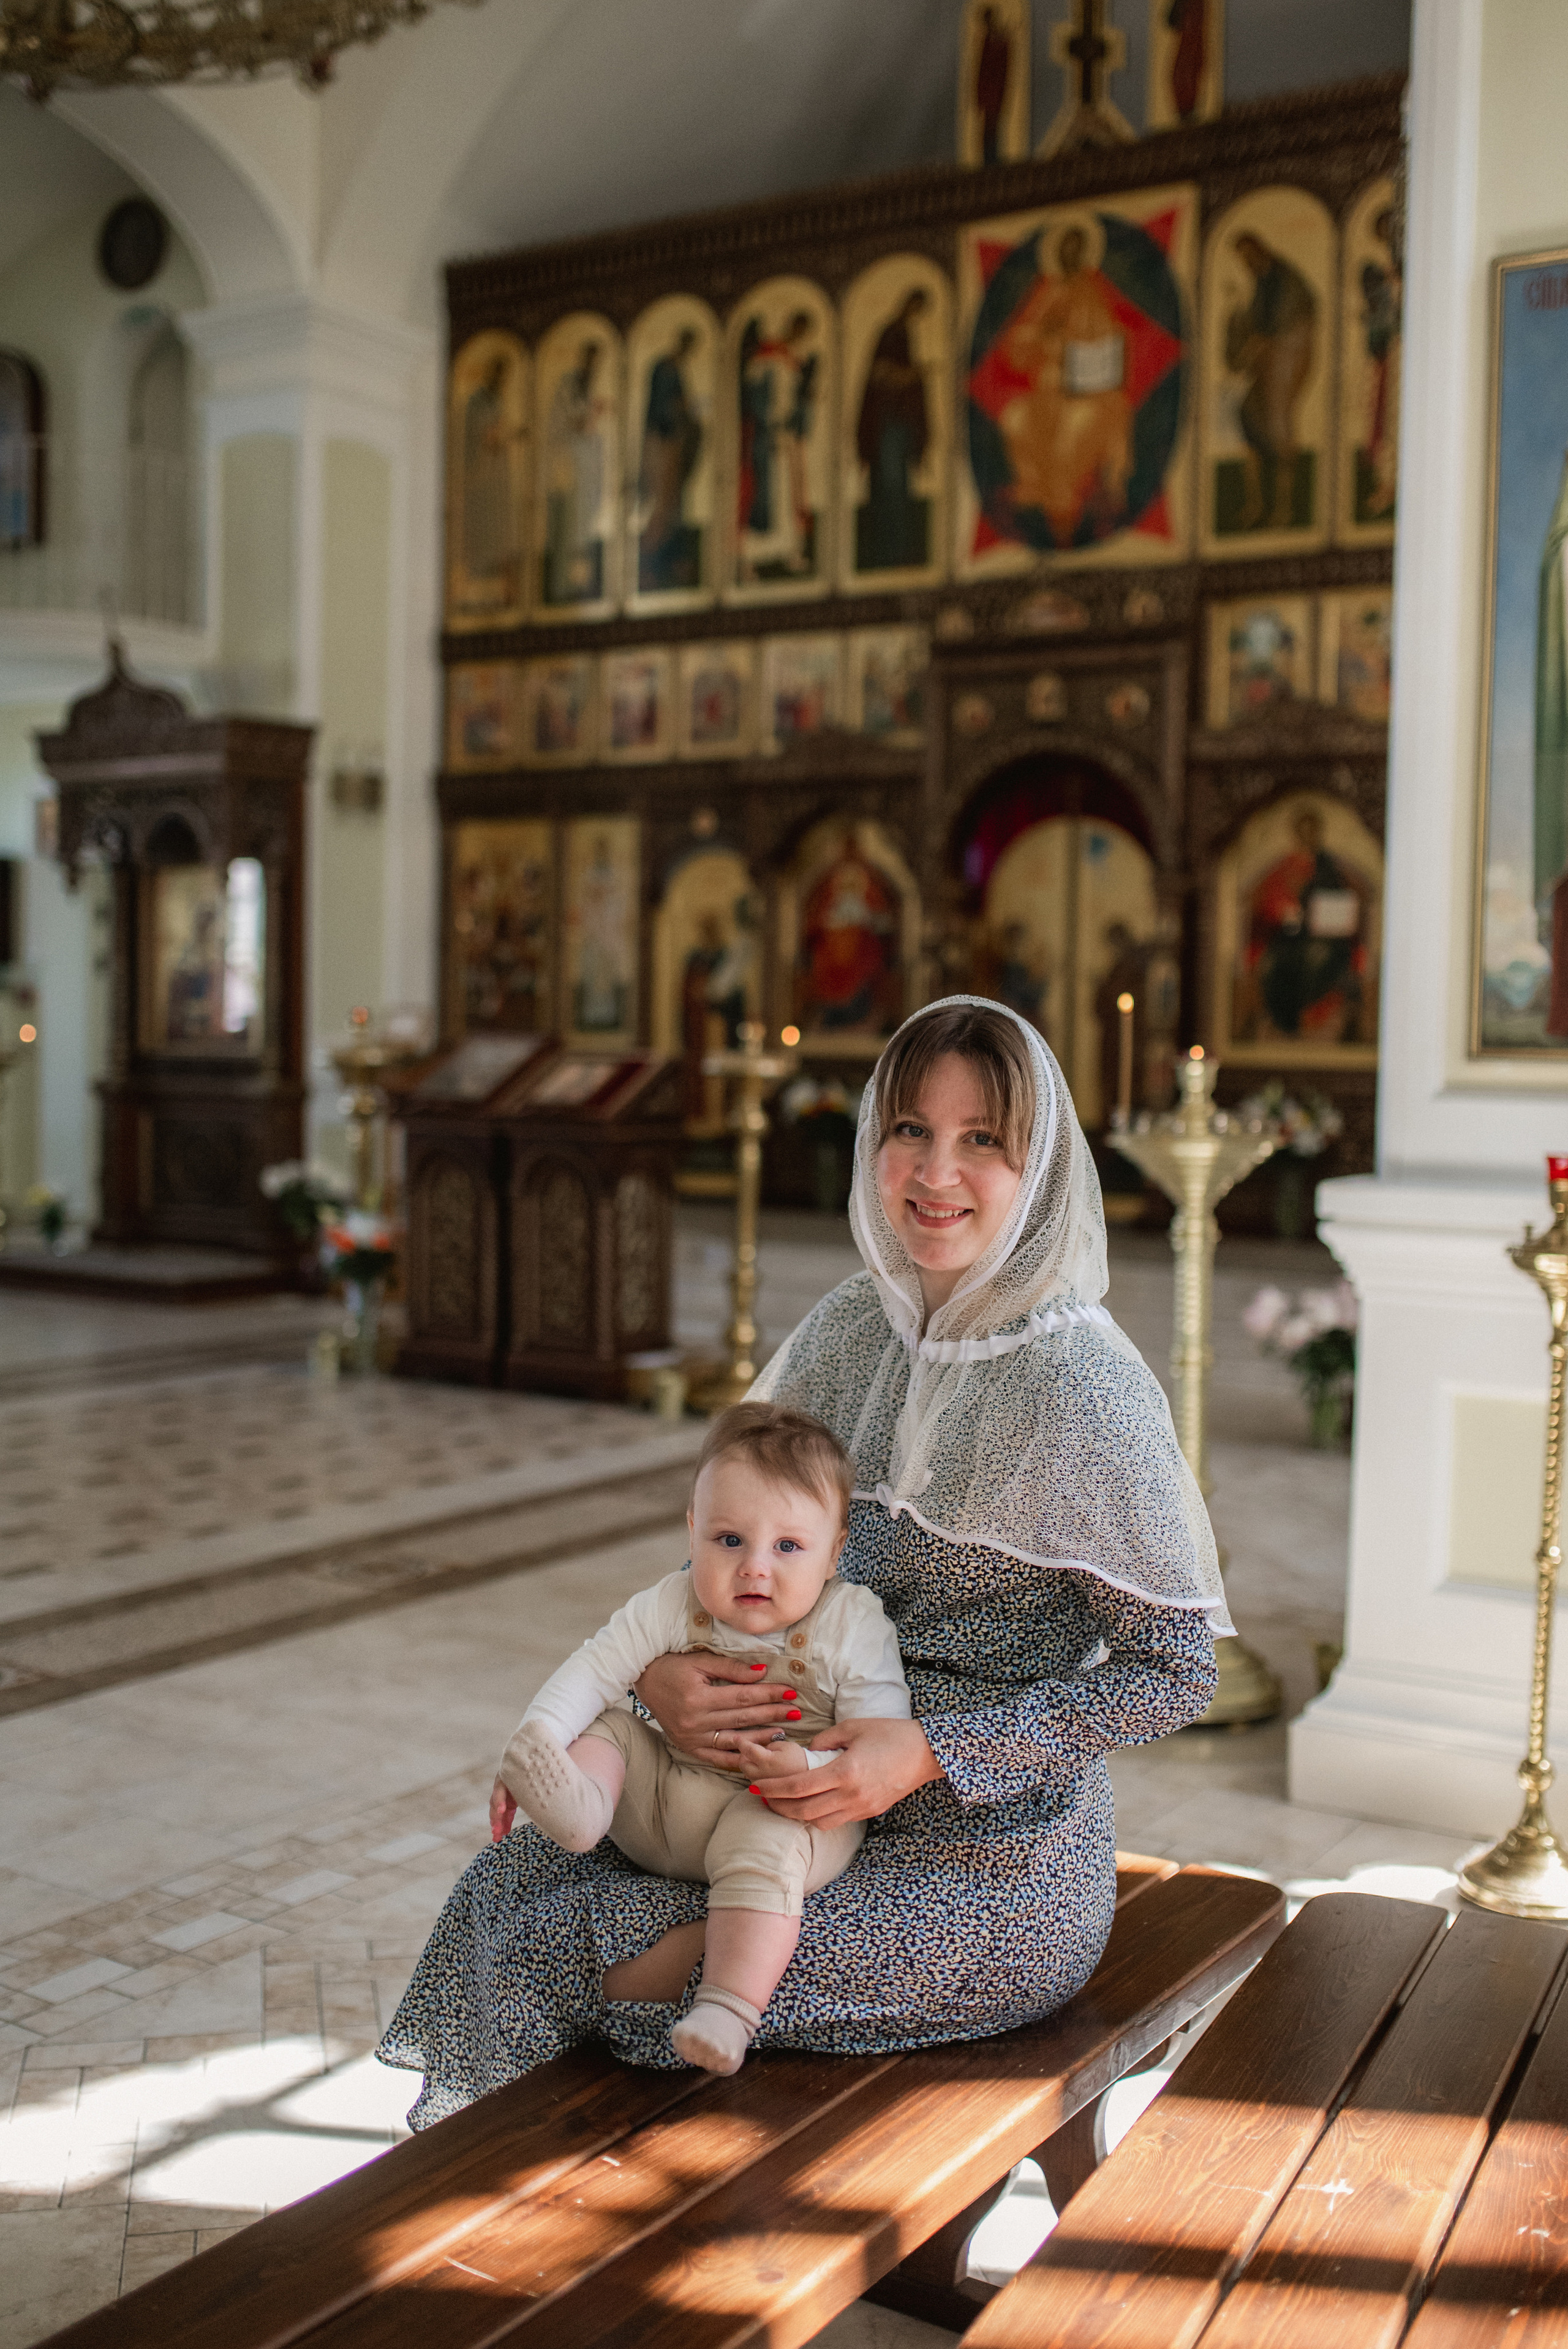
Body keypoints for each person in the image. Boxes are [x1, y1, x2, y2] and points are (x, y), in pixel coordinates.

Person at [379, 996, 1223, 2128]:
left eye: (983, 1139)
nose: (936, 1170)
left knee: (617, 1963)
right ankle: (493, 2229)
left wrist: (925, 1751)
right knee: (516, 1884)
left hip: (984, 1860)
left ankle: (581, 2240)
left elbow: (1177, 1670)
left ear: (1042, 1169)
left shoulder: (1085, 1386)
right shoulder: (844, 1330)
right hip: (758, 1787)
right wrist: (664, 1678)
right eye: (909, 1128)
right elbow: (733, 1541)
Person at [494, 1402, 910, 2075]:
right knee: (607, 1725)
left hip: (785, 1804)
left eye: (788, 1547)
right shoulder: (671, 1601)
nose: (754, 1568)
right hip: (666, 1809)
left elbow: (877, 1741)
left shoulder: (852, 1625)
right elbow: (595, 1666)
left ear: (835, 1552)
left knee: (773, 1831)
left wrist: (803, 1764)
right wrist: (538, 1735)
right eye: (728, 1540)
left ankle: (727, 2006)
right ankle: (580, 1811)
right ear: (691, 1532)